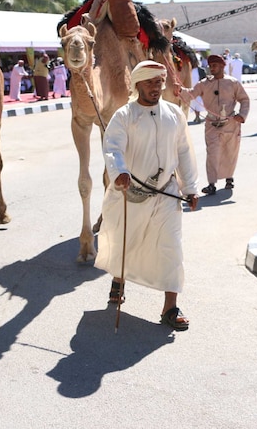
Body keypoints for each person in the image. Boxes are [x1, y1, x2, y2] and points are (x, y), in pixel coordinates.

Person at [95, 60, 199, 331]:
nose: (157, 87)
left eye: (160, 82)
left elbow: (185, 152)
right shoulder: (124, 115)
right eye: (151, 82)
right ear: (137, 84)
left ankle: (170, 307)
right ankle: (119, 277)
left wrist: (190, 188)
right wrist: (119, 171)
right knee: (125, 241)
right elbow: (112, 147)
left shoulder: (175, 114)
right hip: (131, 193)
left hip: (166, 193)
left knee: (171, 247)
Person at [176, 54, 250, 195]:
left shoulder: (233, 83)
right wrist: (179, 90)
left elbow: (244, 99)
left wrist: (242, 115)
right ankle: (211, 184)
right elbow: (191, 94)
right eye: (210, 66)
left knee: (230, 152)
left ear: (222, 66)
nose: (212, 68)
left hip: (230, 124)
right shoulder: (204, 83)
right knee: (212, 154)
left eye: (215, 66)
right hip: (211, 125)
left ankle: (229, 178)